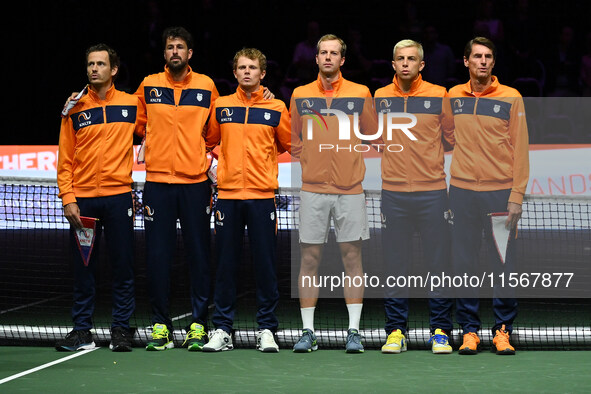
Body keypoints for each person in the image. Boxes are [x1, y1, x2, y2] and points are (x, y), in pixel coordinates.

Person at [290, 34, 377, 353]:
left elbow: (370, 134)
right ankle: (308, 332)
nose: (328, 57)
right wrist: (314, 161)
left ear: (343, 60)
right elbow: (295, 139)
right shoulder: (300, 94)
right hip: (313, 190)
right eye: (323, 53)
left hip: (350, 190)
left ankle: (354, 331)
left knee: (352, 258)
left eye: (334, 53)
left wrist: (345, 159)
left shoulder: (360, 93)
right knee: (309, 259)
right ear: (316, 59)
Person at [201, 48, 291, 352]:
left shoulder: (277, 106)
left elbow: (288, 143)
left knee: (265, 266)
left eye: (253, 67)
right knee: (226, 266)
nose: (247, 72)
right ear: (235, 72)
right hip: (227, 197)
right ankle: (223, 329)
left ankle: (267, 329)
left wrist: (262, 160)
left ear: (262, 73)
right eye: (241, 67)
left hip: (262, 197)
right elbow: (210, 141)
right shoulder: (222, 106)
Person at [135, 26, 218, 351]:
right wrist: (154, 143)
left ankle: (198, 323)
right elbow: (140, 124)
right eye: (170, 47)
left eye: (180, 47)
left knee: (199, 256)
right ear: (164, 53)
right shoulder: (149, 85)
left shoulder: (205, 85)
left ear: (190, 53)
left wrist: (196, 151)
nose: (174, 52)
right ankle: (160, 325)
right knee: (157, 257)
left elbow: (213, 132)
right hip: (157, 184)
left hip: (195, 184)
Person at [56, 44, 140, 352]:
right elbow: (65, 158)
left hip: (119, 198)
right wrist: (68, 197)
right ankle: (82, 331)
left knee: (123, 267)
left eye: (100, 64)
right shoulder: (74, 109)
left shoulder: (133, 104)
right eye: (90, 64)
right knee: (84, 267)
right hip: (85, 202)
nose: (94, 69)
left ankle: (120, 329)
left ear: (113, 69)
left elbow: (161, 128)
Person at [448, 37, 529, 355]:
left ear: (494, 63)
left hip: (499, 195)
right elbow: (445, 132)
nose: (483, 61)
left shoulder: (511, 97)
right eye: (477, 56)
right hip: (463, 193)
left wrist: (516, 196)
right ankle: (470, 331)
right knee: (464, 265)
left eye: (488, 57)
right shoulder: (453, 96)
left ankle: (502, 331)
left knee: (504, 263)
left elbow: (520, 150)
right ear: (465, 61)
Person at [374, 39, 455, 354]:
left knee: (439, 266)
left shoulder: (439, 95)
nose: (405, 63)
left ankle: (440, 332)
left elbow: (451, 138)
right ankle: (396, 331)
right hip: (393, 194)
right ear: (393, 64)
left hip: (433, 193)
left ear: (422, 65)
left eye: (411, 59)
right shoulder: (380, 96)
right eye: (400, 59)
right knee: (395, 265)